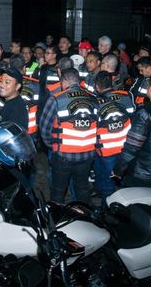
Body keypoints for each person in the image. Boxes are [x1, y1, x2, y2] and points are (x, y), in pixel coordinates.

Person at [39, 68, 98, 203]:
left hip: (63, 155)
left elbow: (44, 128)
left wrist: (52, 145)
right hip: (87, 155)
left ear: (64, 81)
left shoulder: (56, 99)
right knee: (83, 190)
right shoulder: (93, 99)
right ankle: (85, 218)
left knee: (58, 192)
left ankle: (57, 220)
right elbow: (98, 127)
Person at [92, 71, 135, 200]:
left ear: (97, 86)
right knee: (122, 179)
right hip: (126, 146)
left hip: (106, 149)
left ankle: (107, 212)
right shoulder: (126, 95)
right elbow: (134, 117)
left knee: (107, 183)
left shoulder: (94, 101)